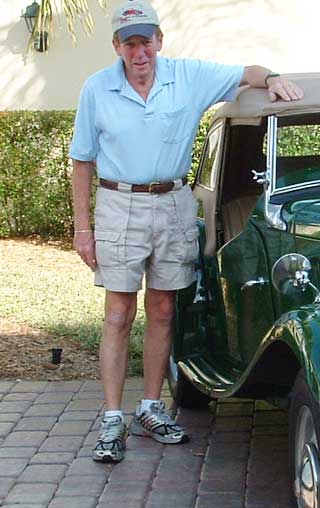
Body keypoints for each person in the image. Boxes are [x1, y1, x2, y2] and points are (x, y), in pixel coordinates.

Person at [69, 0, 303, 463]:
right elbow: (81, 160)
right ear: (117, 46)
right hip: (119, 204)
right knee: (118, 313)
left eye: (147, 40)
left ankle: (151, 409)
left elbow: (248, 72)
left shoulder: (189, 76)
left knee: (162, 309)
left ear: (160, 41)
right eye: (130, 42)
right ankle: (112, 418)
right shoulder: (97, 89)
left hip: (174, 204)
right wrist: (82, 227)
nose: (140, 52)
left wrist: (273, 77)